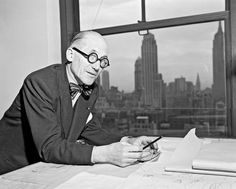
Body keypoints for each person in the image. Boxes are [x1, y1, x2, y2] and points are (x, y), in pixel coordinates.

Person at [0, 31, 158, 175]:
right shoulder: (39, 83)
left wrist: (127, 141)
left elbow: (90, 129)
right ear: (70, 54)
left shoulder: (91, 88)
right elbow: (49, 147)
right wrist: (105, 154)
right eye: (92, 56)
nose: (97, 66)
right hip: (10, 169)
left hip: (42, 169)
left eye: (103, 61)